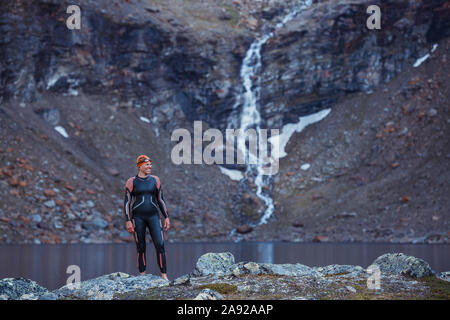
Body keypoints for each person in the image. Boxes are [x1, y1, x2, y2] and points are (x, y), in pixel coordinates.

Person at [123, 154, 170, 280]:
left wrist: (166, 217)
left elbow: (160, 199)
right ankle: (142, 276)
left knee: (160, 244)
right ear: (140, 166)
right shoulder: (131, 181)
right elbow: (127, 202)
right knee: (141, 246)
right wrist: (128, 221)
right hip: (137, 218)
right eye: (147, 164)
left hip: (154, 216)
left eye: (150, 164)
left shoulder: (155, 180)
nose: (150, 166)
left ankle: (164, 276)